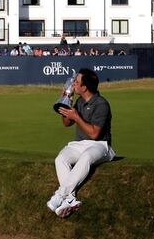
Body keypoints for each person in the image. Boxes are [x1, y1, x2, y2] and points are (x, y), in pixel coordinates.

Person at [47, 69, 115, 218]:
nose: (73, 84)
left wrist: (76, 116)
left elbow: (94, 134)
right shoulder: (79, 101)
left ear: (84, 87)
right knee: (61, 159)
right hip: (79, 144)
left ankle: (60, 194)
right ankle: (70, 199)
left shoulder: (101, 103)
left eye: (77, 82)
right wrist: (66, 102)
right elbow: (66, 123)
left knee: (86, 157)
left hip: (100, 145)